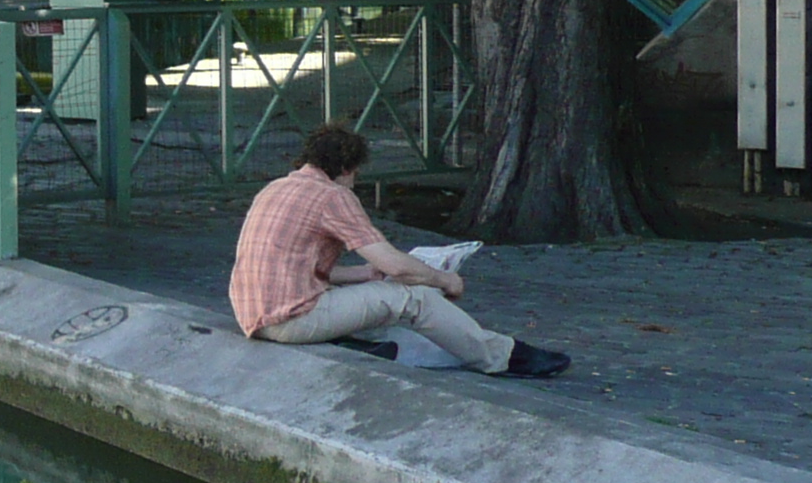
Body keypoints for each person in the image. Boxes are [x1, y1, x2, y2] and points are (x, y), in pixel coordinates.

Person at [230, 124, 570, 376]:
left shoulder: (277, 188)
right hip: (289, 320)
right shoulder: (333, 195)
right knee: (410, 297)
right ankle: (503, 358)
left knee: (374, 293)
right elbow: (398, 267)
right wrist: (444, 280)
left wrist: (362, 274)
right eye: (356, 172)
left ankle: (359, 344)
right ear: (348, 167)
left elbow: (294, 265)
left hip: (253, 314)